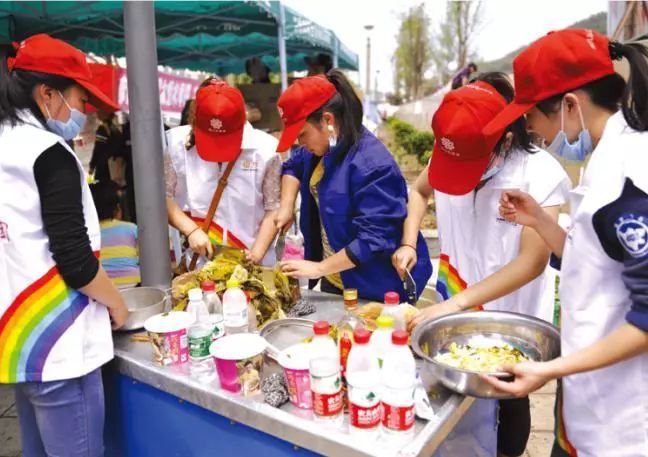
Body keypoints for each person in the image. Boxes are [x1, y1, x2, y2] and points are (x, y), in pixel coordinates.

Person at [475, 30, 648, 457]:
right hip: (588, 397)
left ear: (570, 104)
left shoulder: (630, 179)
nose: (531, 130)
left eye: (532, 118)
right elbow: (595, 263)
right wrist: (539, 219)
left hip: (623, 423)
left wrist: (547, 369)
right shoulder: (605, 160)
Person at [0, 34, 128, 456]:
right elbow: (74, 260)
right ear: (47, 93)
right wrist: (117, 303)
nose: (84, 112)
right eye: (80, 99)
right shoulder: (47, 153)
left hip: (18, 341)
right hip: (58, 342)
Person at [397, 74, 570, 457]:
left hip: (505, 322)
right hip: (452, 300)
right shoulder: (451, 153)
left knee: (507, 398)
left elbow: (532, 262)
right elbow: (420, 190)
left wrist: (455, 306)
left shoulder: (539, 175)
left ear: (505, 141)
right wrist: (410, 240)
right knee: (454, 402)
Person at [275, 71, 432, 301]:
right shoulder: (320, 149)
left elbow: (372, 240)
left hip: (375, 285)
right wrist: (286, 206)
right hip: (335, 276)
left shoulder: (372, 165)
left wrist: (318, 268)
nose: (300, 144)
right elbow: (293, 166)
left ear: (328, 120)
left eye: (302, 135)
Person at [164, 78, 281, 267]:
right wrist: (191, 230)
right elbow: (163, 197)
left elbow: (274, 207)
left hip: (254, 260)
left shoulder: (266, 150)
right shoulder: (176, 145)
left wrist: (255, 256)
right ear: (195, 123)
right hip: (203, 263)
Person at [91, 181, 141, 287]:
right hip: (133, 285)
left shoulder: (89, 234)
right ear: (118, 208)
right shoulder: (131, 228)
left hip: (105, 289)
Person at [88, 108, 123, 186]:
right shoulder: (116, 129)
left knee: (100, 190)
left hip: (103, 167)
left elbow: (98, 148)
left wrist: (92, 166)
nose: (96, 113)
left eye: (98, 111)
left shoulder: (102, 129)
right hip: (114, 167)